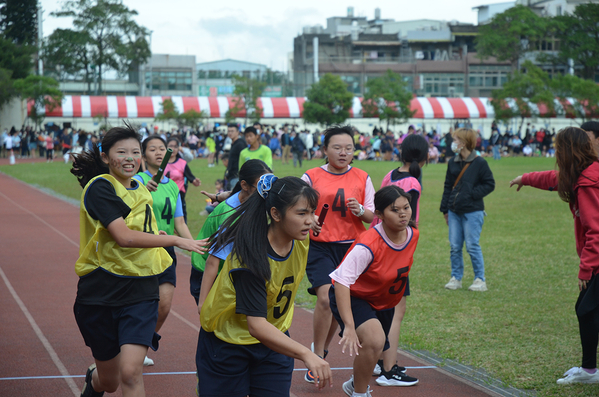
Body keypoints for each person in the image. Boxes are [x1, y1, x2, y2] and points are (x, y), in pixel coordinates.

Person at [70, 125, 207, 397]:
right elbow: (123, 236)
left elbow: (143, 231)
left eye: (135, 152)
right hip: (101, 290)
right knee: (110, 383)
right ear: (106, 157)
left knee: (131, 372)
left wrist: (160, 234)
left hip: (141, 289)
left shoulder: (141, 188)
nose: (130, 158)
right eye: (121, 152)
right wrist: (176, 241)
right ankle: (94, 380)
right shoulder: (100, 187)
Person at [197, 174, 332, 396]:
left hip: (273, 343)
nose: (310, 220)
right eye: (301, 213)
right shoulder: (250, 257)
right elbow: (256, 325)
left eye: (312, 212)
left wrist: (305, 216)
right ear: (275, 214)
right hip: (228, 343)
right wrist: (308, 354)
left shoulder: (300, 238)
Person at [510, 127, 599, 385]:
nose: (555, 152)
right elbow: (553, 178)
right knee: (587, 309)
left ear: (566, 150)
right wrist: (525, 178)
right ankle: (589, 369)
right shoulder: (581, 174)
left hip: (595, 260)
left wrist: (586, 269)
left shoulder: (587, 183)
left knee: (586, 309)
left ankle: (590, 371)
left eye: (557, 147)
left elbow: (596, 232)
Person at [302, 125, 375, 384]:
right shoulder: (310, 176)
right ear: (324, 150)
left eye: (348, 148)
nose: (343, 153)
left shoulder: (362, 177)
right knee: (325, 298)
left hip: (352, 248)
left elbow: (372, 215)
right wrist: (311, 221)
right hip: (320, 246)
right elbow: (299, 207)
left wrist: (360, 211)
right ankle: (318, 355)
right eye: (337, 147)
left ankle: (321, 351)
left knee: (335, 303)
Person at [330, 186, 420, 397]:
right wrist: (350, 326)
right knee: (374, 340)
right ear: (378, 215)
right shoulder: (368, 244)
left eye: (406, 208)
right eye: (394, 210)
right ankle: (360, 394)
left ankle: (354, 385)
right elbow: (341, 281)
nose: (403, 214)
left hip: (383, 301)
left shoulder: (412, 234)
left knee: (375, 349)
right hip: (354, 296)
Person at [369, 134, 428, 386]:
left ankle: (381, 361)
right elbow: (405, 221)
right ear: (425, 157)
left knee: (384, 308)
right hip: (393, 249)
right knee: (395, 311)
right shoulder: (413, 182)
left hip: (376, 243)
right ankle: (388, 370)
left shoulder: (390, 175)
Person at [133, 134, 196, 366]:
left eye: (163, 148)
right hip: (141, 250)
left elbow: (179, 224)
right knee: (140, 304)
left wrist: (194, 245)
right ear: (143, 155)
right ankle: (132, 345)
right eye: (153, 149)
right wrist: (141, 191)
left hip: (166, 251)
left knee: (165, 305)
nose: (159, 152)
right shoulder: (135, 181)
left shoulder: (172, 187)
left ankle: (143, 342)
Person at [190, 159, 273, 306]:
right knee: (215, 326)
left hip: (229, 272)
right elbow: (212, 262)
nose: (266, 193)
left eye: (268, 187)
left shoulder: (253, 198)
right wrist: (203, 303)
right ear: (244, 186)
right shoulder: (230, 216)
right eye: (260, 187)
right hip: (208, 274)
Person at [440, 128, 495, 292]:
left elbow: (489, 184)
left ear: (464, 143)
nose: (453, 143)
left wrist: (471, 194)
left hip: (473, 211)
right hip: (454, 211)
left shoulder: (480, 163)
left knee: (472, 245)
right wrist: (444, 209)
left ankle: (480, 279)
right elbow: (448, 186)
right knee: (455, 246)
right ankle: (456, 278)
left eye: (455, 139)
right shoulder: (452, 162)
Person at [165, 137, 201, 222]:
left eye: (175, 146)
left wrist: (195, 181)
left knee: (181, 220)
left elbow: (191, 177)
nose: (173, 149)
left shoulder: (182, 163)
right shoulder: (161, 163)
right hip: (164, 195)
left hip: (179, 196)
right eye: (170, 146)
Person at [226, 123, 246, 190]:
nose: (230, 133)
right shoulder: (233, 144)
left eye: (232, 131)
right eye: (229, 131)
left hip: (237, 176)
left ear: (237, 132)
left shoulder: (240, 144)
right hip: (232, 176)